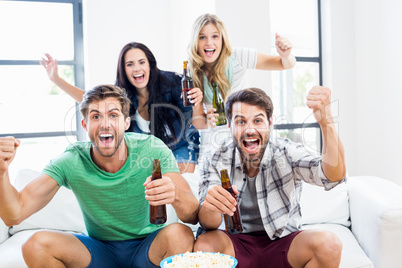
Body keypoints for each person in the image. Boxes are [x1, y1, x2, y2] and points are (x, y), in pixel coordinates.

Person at [0, 85, 199, 268]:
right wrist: (2, 173)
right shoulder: (71, 160)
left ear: (126, 122)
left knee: (180, 234)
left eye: (113, 115)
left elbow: (191, 215)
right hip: (99, 249)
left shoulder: (152, 149)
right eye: (96, 117)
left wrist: (176, 195)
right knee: (35, 245)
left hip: (148, 246)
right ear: (85, 124)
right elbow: (14, 214)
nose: (105, 124)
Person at [194, 87, 346, 268]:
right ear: (230, 126)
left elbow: (333, 175)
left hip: (281, 242)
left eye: (258, 120)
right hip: (233, 244)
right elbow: (207, 223)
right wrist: (211, 206)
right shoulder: (215, 157)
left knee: (329, 245)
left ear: (270, 122)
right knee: (205, 245)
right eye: (240, 121)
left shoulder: (286, 152)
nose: (250, 130)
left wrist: (326, 122)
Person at [41, 42, 205, 173]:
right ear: (124, 70)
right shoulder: (120, 93)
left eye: (142, 62)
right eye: (130, 64)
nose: (137, 68)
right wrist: (56, 79)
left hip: (180, 147)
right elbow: (89, 100)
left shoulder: (173, 83)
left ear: (150, 65)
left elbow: (196, 122)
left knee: (178, 184)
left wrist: (197, 102)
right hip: (146, 153)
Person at [187, 13, 296, 127]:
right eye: (202, 37)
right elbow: (199, 125)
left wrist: (286, 55)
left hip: (243, 135)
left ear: (222, 39)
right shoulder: (191, 71)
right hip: (213, 139)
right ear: (196, 41)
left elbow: (285, 64)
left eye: (215, 36)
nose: (209, 42)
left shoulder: (238, 56)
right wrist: (207, 120)